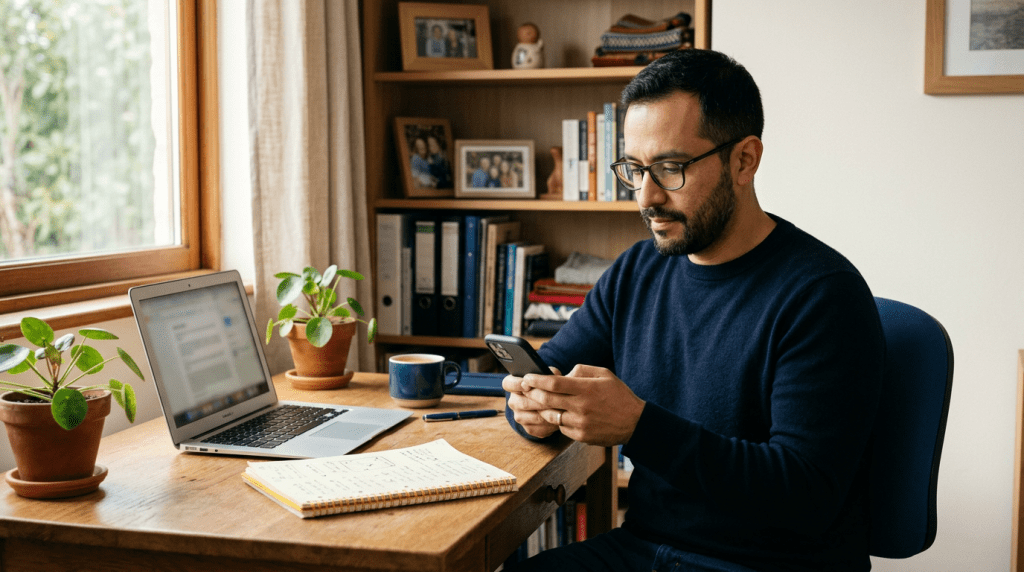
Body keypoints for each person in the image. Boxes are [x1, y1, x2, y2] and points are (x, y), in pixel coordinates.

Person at [502, 49, 885, 572]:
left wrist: (639, 427)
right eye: (634, 170)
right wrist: (532, 409)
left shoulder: (823, 295)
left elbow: (804, 494)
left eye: (670, 168)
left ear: (744, 160)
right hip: (644, 548)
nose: (647, 196)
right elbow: (552, 370)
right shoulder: (638, 270)